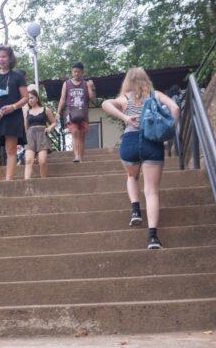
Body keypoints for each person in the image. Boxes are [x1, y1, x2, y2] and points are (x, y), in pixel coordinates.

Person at [102, 67, 180, 249]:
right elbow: (175, 108)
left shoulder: (125, 98)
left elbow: (105, 103)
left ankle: (136, 211)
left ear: (127, 81)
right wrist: (169, 129)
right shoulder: (155, 94)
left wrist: (126, 118)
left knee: (132, 176)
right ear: (146, 79)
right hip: (152, 142)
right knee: (151, 190)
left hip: (129, 142)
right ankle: (153, 237)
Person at [0, 46, 29, 181]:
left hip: (12, 116)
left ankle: (8, 181)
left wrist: (13, 107)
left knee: (11, 149)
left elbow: (25, 97)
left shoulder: (18, 76)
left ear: (10, 58)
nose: (1, 59)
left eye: (4, 56)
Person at [57, 62, 96, 163]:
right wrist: (58, 112)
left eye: (78, 72)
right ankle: (77, 156)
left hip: (83, 114)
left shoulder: (86, 83)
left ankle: (80, 158)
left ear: (82, 72)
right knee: (74, 133)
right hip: (71, 114)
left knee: (82, 137)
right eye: (74, 71)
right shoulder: (67, 83)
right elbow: (62, 98)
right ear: (71, 71)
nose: (76, 74)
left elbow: (93, 99)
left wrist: (91, 87)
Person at [22, 88, 57, 179]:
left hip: (42, 135)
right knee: (29, 160)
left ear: (37, 98)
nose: (30, 100)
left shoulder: (46, 109)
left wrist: (49, 128)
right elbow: (25, 128)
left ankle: (43, 181)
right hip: (30, 136)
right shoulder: (27, 112)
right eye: (28, 98)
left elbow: (54, 122)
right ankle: (26, 184)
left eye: (32, 97)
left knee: (42, 161)